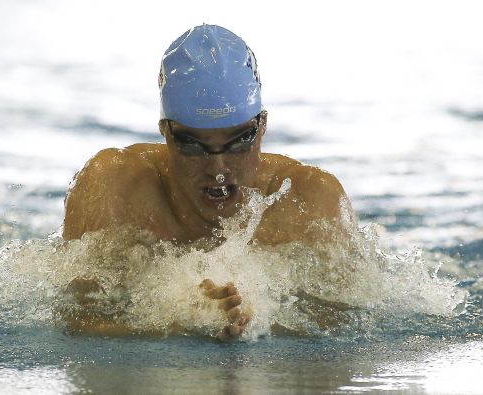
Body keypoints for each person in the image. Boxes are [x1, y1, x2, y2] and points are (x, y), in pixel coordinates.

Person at [61, 24, 355, 340]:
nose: (218, 168)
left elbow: (348, 329)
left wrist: (262, 323)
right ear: (165, 131)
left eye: (239, 141)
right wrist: (180, 324)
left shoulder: (311, 202)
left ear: (263, 126)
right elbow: (75, 324)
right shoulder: (114, 188)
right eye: (192, 144)